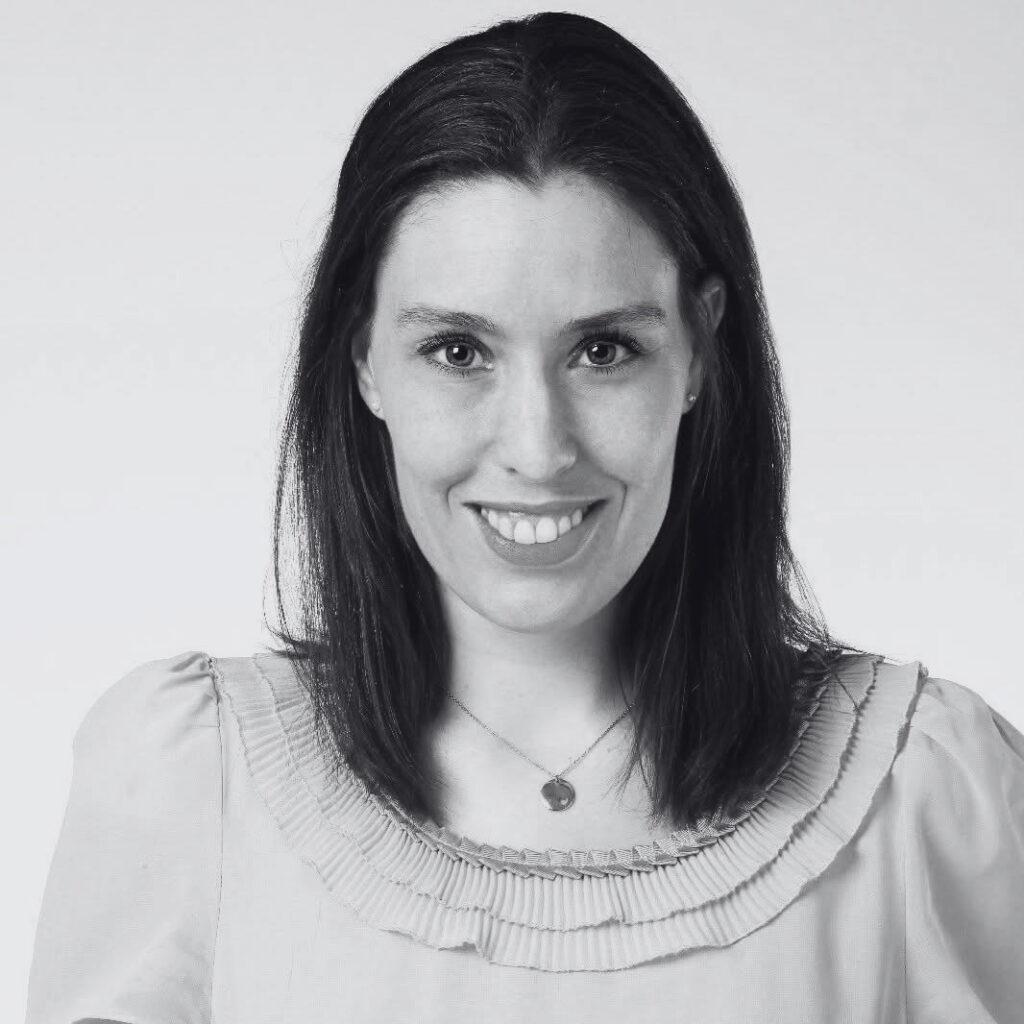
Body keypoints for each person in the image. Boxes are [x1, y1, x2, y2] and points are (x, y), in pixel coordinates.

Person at [25, 12, 1024, 1023]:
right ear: (362, 356)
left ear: (700, 353)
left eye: (603, 351)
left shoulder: (919, 803)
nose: (537, 448)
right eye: (458, 350)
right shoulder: (192, 790)